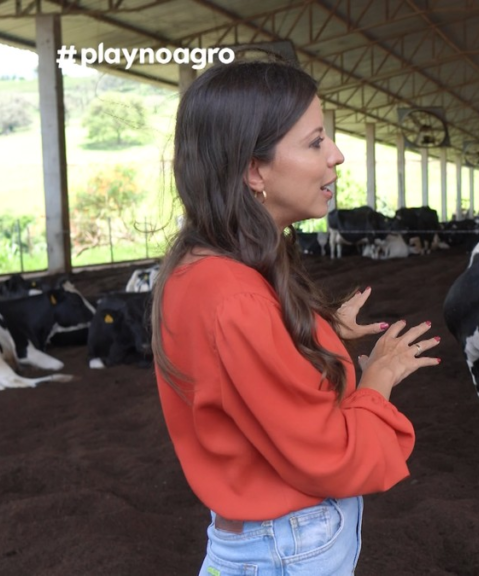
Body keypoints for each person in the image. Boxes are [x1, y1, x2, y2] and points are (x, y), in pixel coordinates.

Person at [151, 59, 440, 576]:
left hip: (259, 538)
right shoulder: (238, 299)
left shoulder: (204, 267)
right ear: (253, 169)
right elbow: (331, 456)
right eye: (314, 143)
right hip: (288, 548)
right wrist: (379, 377)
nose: (337, 155)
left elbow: (253, 379)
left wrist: (320, 330)